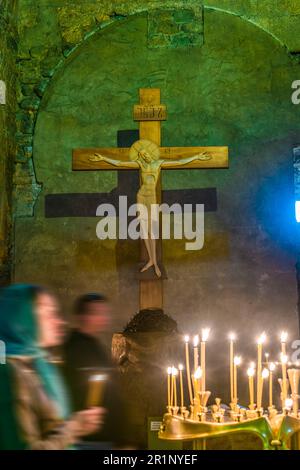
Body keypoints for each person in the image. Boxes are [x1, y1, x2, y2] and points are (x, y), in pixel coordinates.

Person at [0, 284, 104, 450]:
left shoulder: (40, 367)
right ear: (24, 318)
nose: (60, 322)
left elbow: (52, 428)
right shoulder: (10, 374)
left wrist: (78, 426)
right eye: (49, 314)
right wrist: (73, 428)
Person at [63, 293, 129, 449]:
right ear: (83, 317)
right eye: (98, 313)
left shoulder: (95, 345)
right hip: (89, 439)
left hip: (105, 436)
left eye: (105, 313)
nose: (104, 318)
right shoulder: (75, 349)